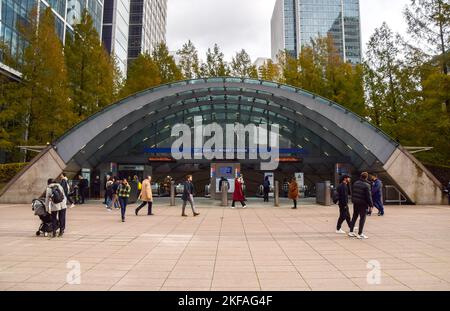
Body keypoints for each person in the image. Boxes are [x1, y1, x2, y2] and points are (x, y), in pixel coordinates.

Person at [349, 172, 374, 240]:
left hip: (356, 202)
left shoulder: (356, 183)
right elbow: (368, 196)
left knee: (354, 216)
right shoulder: (367, 185)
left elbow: (353, 192)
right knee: (362, 218)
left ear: (361, 176)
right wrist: (371, 205)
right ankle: (360, 234)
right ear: (366, 177)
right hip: (363, 203)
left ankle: (351, 231)